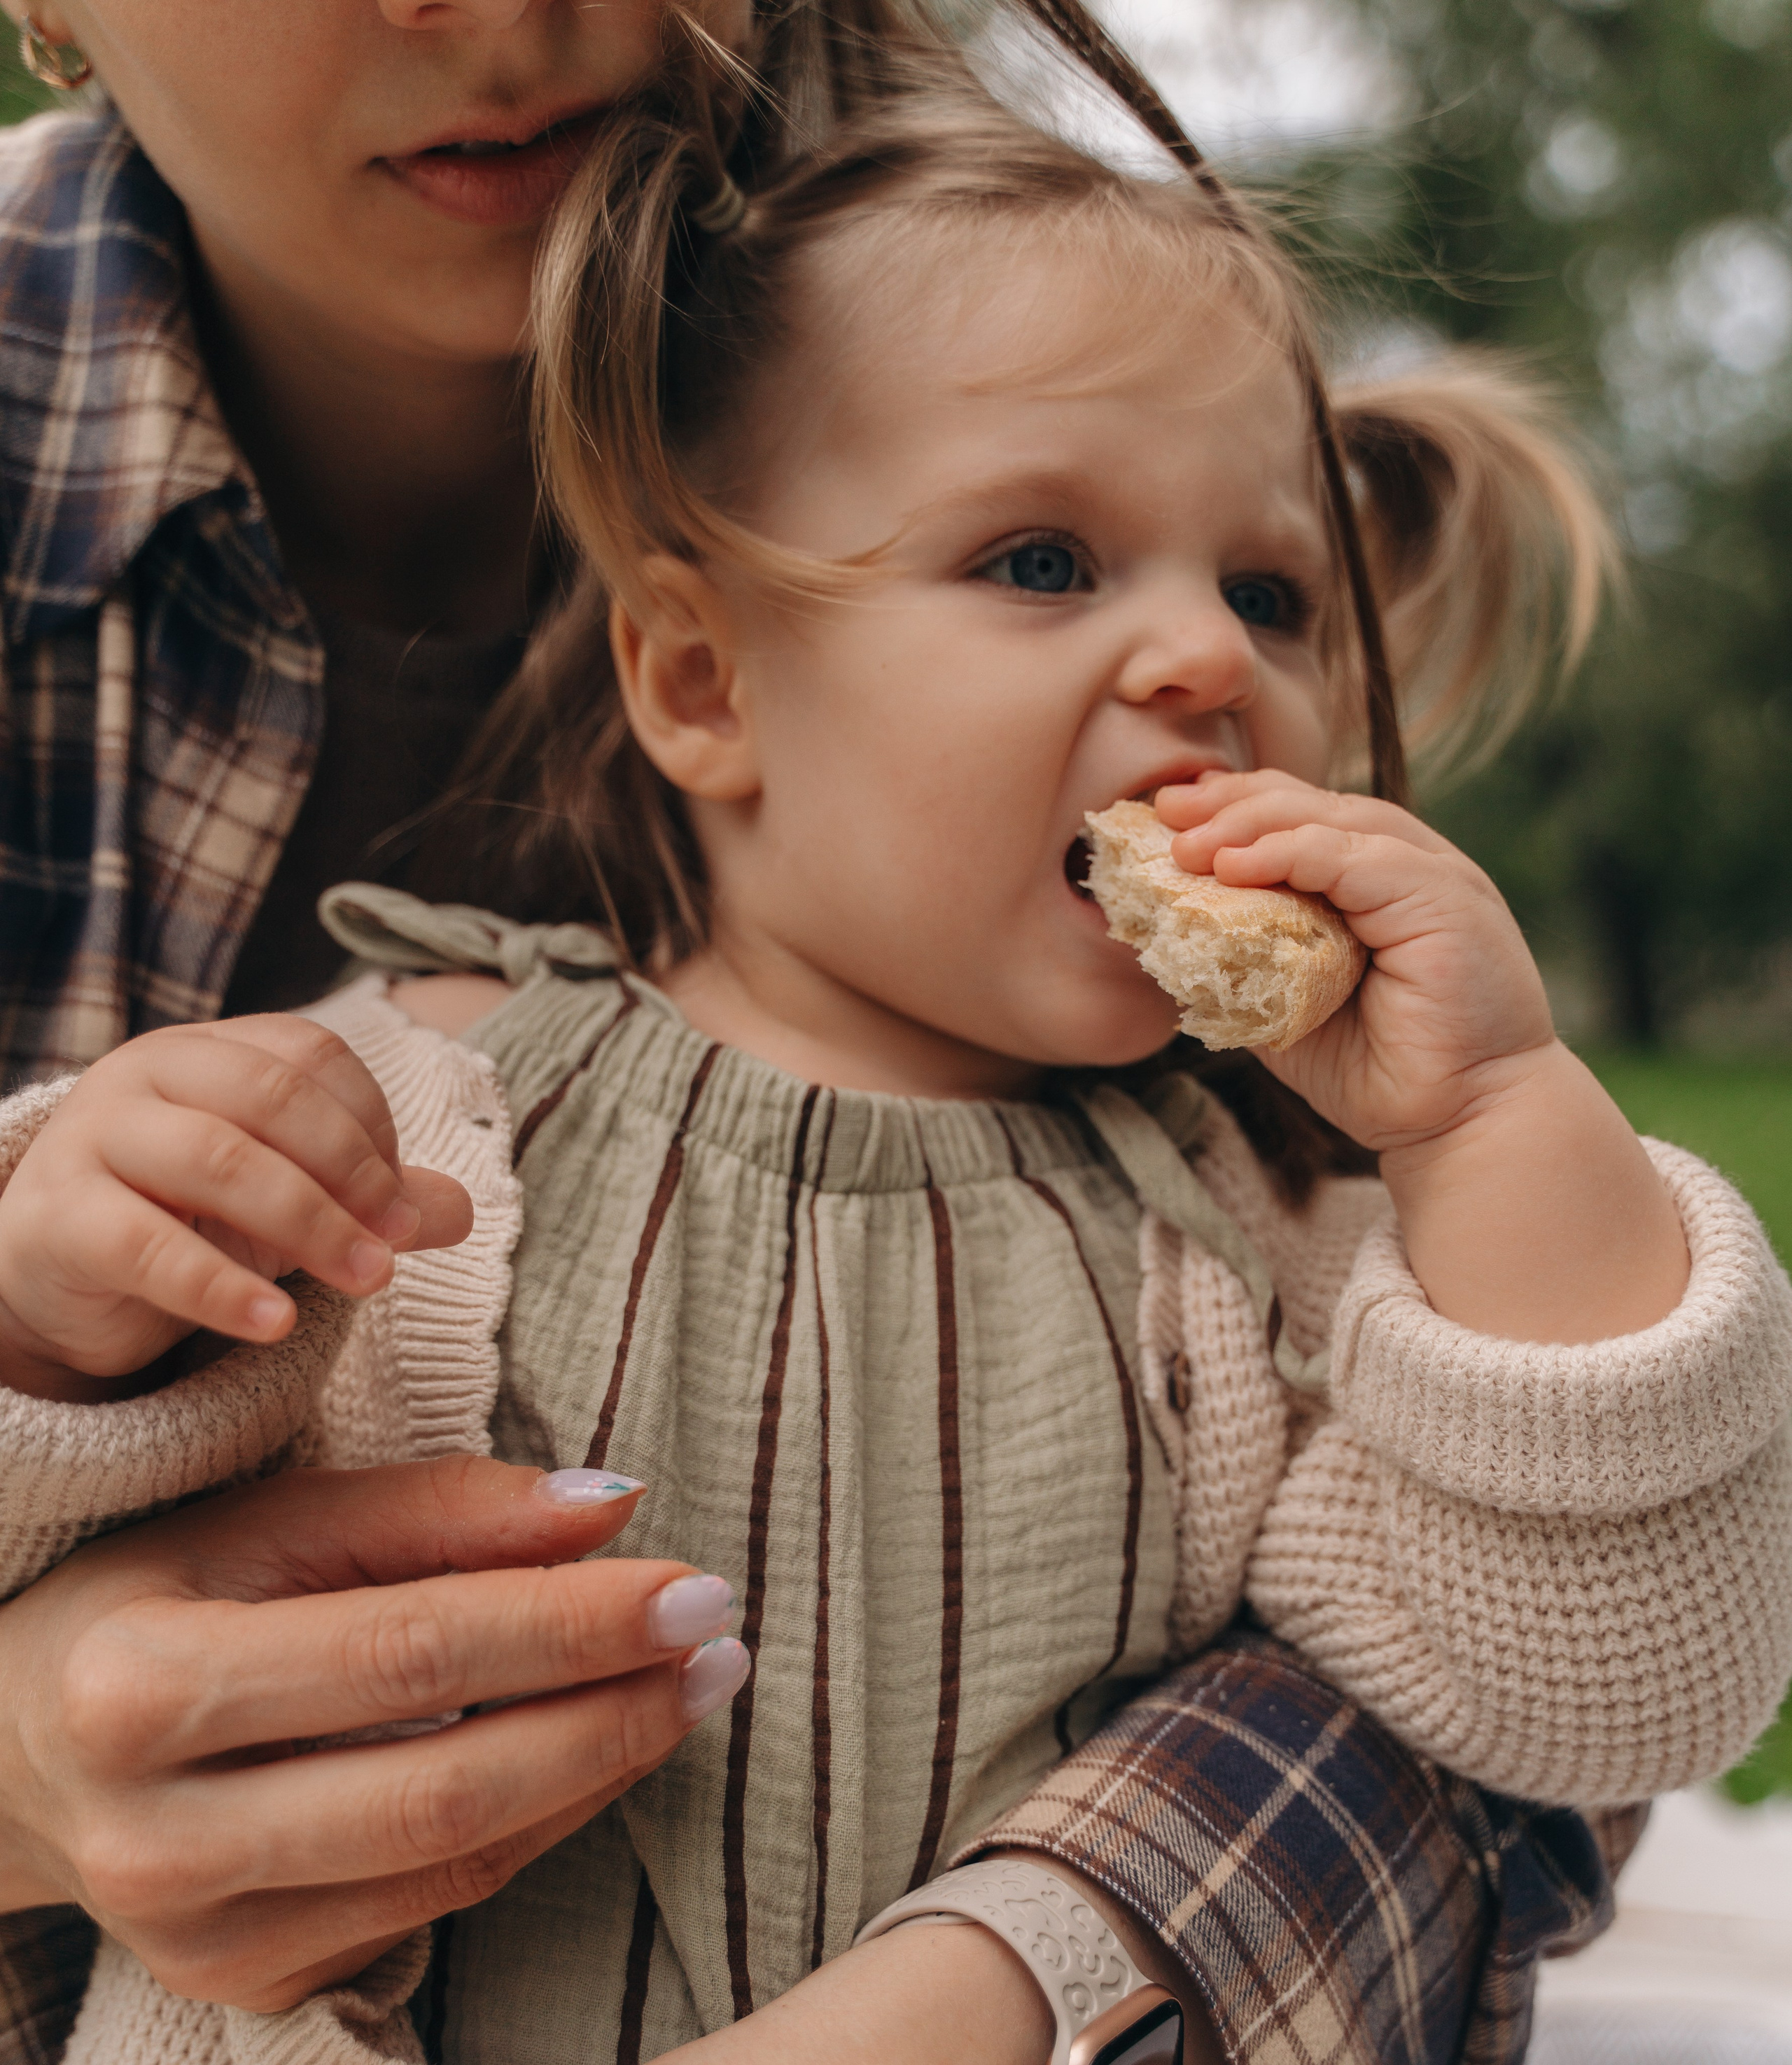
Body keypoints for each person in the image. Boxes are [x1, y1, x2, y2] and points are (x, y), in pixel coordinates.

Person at [5, 36, 1791, 2065]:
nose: (1212, 660)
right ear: (699, 676)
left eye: (1274, 591)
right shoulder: (421, 1121)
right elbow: (87, 1519)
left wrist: (1496, 1128)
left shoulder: (1253, 1249)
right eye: (1041, 562)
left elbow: (1605, 1690)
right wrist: (64, 1314)